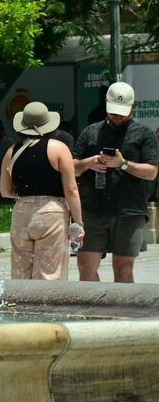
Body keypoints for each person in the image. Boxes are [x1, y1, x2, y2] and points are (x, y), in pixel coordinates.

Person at [72, 82, 159, 283]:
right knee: (85, 267)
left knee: (123, 269)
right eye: (113, 111)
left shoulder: (144, 134)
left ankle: (124, 314)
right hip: (93, 209)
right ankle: (93, 313)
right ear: (106, 104)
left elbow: (152, 172)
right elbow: (72, 167)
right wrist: (89, 163)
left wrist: (123, 164)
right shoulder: (90, 132)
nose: (117, 116)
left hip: (130, 210)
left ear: (132, 106)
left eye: (122, 112)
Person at [0, 102, 84, 280]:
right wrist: (78, 223)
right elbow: (71, 189)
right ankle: (45, 309)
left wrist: (27, 197)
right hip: (51, 213)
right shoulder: (58, 148)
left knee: (20, 273)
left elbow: (5, 191)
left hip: (21, 212)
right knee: (50, 274)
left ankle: (21, 307)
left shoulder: (11, 151)